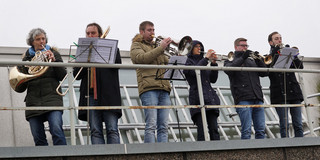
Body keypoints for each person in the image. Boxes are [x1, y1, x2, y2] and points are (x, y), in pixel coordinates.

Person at [17, 28, 67, 146]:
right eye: (38, 39)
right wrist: (28, 67)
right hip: (33, 101)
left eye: (43, 39)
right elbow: (21, 85)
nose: (41, 42)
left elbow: (63, 76)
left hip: (52, 98)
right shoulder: (26, 59)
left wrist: (54, 62)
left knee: (56, 130)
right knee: (38, 137)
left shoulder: (54, 54)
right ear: (32, 42)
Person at [74, 23, 122, 144]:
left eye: (93, 33)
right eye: (88, 33)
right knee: (95, 130)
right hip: (89, 95)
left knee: (112, 129)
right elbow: (76, 75)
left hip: (108, 94)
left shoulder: (112, 49)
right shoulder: (83, 51)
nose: (90, 35)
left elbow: (117, 65)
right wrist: (87, 59)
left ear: (100, 35)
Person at [130, 21, 172, 143]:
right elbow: (141, 59)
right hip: (149, 89)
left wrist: (177, 54)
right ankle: (150, 154)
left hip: (164, 88)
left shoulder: (156, 47)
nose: (152, 33)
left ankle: (163, 154)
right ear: (141, 32)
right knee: (151, 125)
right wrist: (161, 48)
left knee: (163, 126)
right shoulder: (136, 45)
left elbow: (167, 62)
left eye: (153, 30)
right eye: (149, 30)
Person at [224, 38, 268, 139]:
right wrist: (243, 57)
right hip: (243, 99)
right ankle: (246, 154)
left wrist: (259, 60)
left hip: (257, 97)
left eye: (246, 46)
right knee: (246, 130)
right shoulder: (230, 60)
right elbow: (230, 71)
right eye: (243, 45)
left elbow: (265, 73)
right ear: (236, 47)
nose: (245, 47)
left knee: (261, 130)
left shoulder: (251, 60)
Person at [268, 31, 304, 138]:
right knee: (284, 125)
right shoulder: (268, 57)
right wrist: (274, 53)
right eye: (276, 39)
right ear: (271, 42)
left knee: (298, 123)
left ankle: (301, 146)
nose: (279, 40)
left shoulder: (287, 55)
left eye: (280, 38)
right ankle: (285, 147)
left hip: (294, 92)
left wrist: (294, 55)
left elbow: (300, 67)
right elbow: (267, 70)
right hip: (280, 93)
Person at [183, 40, 220, 141]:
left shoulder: (204, 62)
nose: (199, 49)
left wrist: (213, 64)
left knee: (214, 129)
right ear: (191, 49)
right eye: (197, 47)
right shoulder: (188, 62)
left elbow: (213, 80)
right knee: (202, 131)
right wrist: (206, 58)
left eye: (200, 47)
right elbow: (194, 71)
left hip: (210, 99)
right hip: (197, 99)